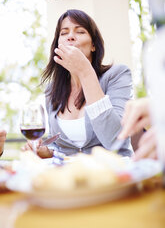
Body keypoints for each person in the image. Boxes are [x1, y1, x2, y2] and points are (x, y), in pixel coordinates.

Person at [25, 9, 133, 157]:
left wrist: (85, 72)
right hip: (71, 175)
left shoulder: (117, 75)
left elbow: (115, 140)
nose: (70, 36)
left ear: (93, 45)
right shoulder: (52, 89)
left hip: (114, 172)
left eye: (80, 31)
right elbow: (61, 146)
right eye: (64, 33)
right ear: (58, 45)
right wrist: (48, 152)